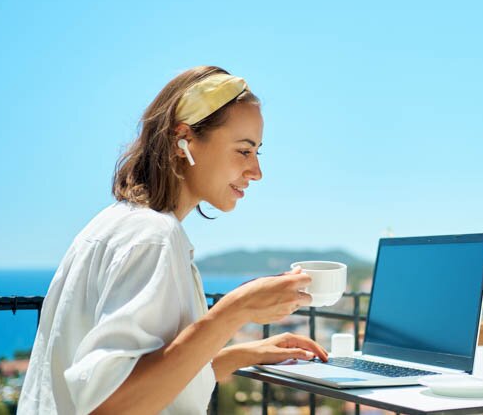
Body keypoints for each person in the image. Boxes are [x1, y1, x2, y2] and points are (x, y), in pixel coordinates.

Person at [18, 66, 328, 415]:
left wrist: (243, 354)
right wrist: (234, 312)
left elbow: (152, 379)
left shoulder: (120, 224)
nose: (256, 171)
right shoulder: (152, 239)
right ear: (184, 140)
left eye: (258, 152)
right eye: (244, 150)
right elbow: (112, 406)